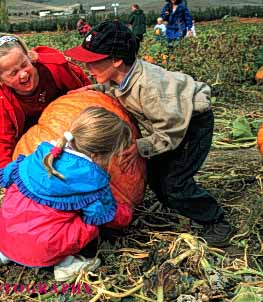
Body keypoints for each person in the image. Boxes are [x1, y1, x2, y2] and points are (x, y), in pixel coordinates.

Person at [64, 20, 234, 247]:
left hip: (192, 124)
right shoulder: (122, 75)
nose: (88, 68)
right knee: (154, 173)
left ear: (116, 60)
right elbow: (113, 88)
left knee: (175, 182)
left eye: (93, 63)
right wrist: (91, 90)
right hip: (171, 121)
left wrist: (141, 147)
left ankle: (216, 221)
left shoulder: (150, 89)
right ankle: (174, 203)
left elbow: (170, 132)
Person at [0, 107, 134, 281]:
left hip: (4, 235)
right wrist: (127, 213)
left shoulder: (40, 155)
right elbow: (106, 215)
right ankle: (67, 265)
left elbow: (8, 177)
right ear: (97, 156)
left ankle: (3, 255)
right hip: (41, 248)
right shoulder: (91, 181)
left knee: (25, 210)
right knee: (91, 224)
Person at [0, 33, 91, 173]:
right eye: (13, 73)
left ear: (29, 56)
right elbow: (0, 139)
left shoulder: (52, 69)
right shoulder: (3, 98)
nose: (23, 74)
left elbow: (85, 91)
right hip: (38, 146)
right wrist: (7, 172)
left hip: (76, 129)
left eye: (24, 65)